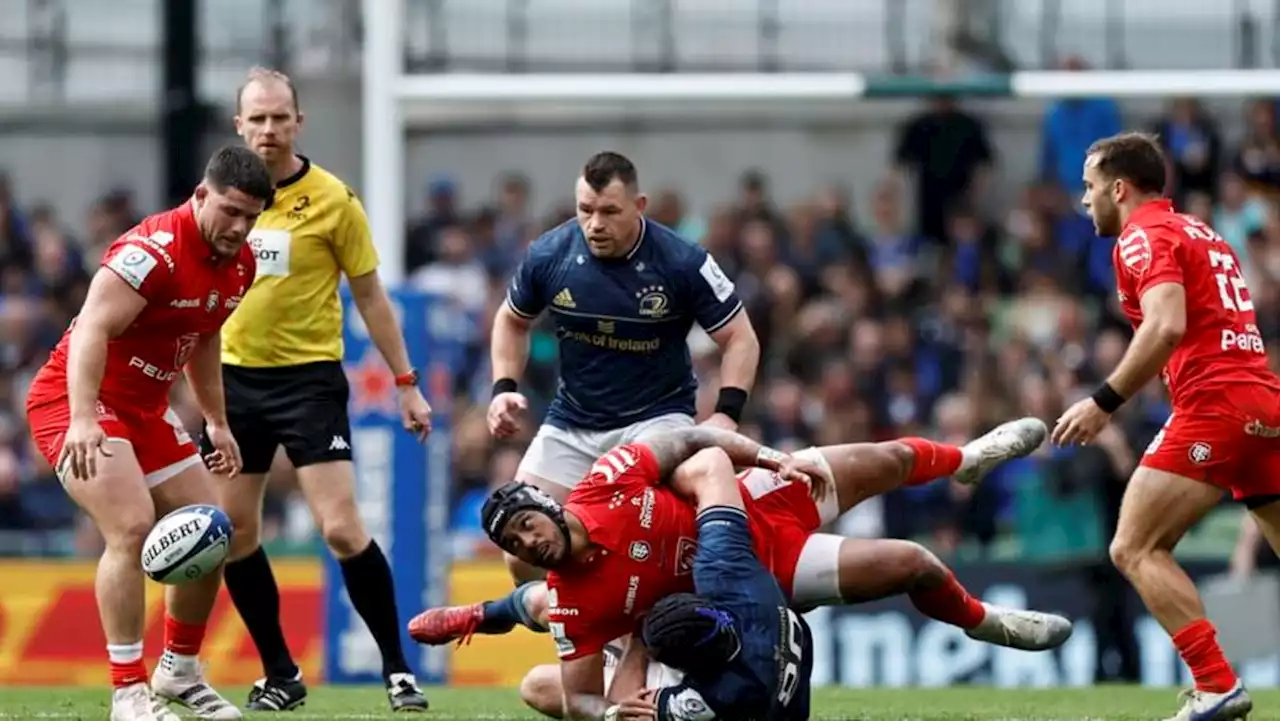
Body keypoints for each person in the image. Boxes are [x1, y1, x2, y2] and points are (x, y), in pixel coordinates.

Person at [412, 421, 1072, 720]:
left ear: (548, 505)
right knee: (912, 561)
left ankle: (966, 459)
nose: (530, 538)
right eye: (516, 539)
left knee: (886, 456)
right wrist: (614, 709)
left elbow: (698, 442)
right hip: (753, 584)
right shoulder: (573, 600)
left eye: (527, 522)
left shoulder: (608, 478)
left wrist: (769, 454)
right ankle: (989, 624)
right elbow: (584, 696)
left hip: (750, 500)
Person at [209, 68, 432, 713]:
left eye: (281, 118)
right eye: (258, 119)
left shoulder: (334, 199)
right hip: (231, 380)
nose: (270, 130)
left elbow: (370, 295)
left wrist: (407, 384)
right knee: (235, 533)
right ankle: (281, 672)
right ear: (240, 125)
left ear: (298, 122)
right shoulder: (219, 196)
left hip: (309, 380)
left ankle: (396, 669)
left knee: (340, 527)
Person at [24, 146, 273, 721]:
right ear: (201, 196)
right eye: (231, 211)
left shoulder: (240, 264)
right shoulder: (151, 253)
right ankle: (128, 694)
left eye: (252, 217)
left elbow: (204, 337)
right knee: (132, 524)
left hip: (145, 408)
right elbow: (92, 327)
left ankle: (179, 672)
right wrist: (84, 417)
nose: (240, 227)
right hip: (74, 400)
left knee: (217, 532)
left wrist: (215, 420)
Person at [1052, 130, 1280, 721]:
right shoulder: (1201, 232)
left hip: (1216, 406)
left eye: (1090, 187)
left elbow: (1166, 325)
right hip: (1262, 399)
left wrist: (1103, 402)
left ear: (1119, 188)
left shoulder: (1141, 236)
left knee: (1135, 545)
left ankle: (1215, 684)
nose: (1085, 201)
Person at [486, 150, 760, 587]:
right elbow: (510, 320)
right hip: (573, 423)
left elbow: (739, 336)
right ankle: (574, 641)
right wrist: (503, 387)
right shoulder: (550, 254)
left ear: (640, 206)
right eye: (586, 210)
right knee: (521, 559)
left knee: (631, 538)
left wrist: (727, 412)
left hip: (655, 422)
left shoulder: (682, 261)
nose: (595, 224)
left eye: (609, 211)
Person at [626, 448, 815, 721]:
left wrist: (635, 641)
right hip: (783, 666)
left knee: (543, 685)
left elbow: (632, 710)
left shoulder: (719, 696)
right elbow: (712, 463)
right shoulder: (727, 573)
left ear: (684, 668)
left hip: (753, 703)